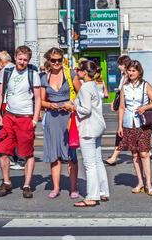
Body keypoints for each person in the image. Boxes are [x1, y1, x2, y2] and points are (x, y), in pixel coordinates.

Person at [0, 46, 41, 198]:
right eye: (20, 59)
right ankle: (7, 183)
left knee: (27, 153)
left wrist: (35, 119)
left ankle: (27, 185)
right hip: (8, 116)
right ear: (15, 57)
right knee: (3, 151)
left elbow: (38, 98)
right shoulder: (6, 72)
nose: (22, 62)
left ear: (28, 60)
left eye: (25, 60)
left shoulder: (32, 74)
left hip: (25, 117)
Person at [63, 60, 108, 207]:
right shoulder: (94, 85)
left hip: (88, 128)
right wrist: (75, 104)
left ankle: (92, 196)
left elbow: (86, 109)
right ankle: (103, 191)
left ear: (84, 72)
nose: (76, 72)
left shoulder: (84, 88)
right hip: (98, 126)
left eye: (78, 70)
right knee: (98, 160)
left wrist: (73, 108)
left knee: (90, 164)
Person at [40, 47, 81, 199]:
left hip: (68, 117)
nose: (56, 63)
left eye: (59, 60)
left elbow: (82, 95)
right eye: (53, 60)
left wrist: (71, 104)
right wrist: (50, 105)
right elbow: (41, 101)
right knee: (54, 155)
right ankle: (56, 188)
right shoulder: (44, 77)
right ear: (48, 61)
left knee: (71, 154)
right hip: (52, 117)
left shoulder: (70, 74)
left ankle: (73, 188)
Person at [117, 60, 152, 195]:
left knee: (144, 153)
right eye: (129, 70)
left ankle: (149, 184)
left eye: (133, 70)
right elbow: (122, 107)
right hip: (129, 123)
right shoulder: (125, 87)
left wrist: (145, 107)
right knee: (134, 154)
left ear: (139, 72)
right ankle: (140, 182)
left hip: (143, 123)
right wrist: (120, 126)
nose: (130, 73)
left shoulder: (146, 85)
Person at [105, 55, 131, 166]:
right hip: (124, 106)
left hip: (127, 108)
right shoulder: (123, 75)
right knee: (132, 132)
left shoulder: (129, 77)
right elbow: (119, 91)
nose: (118, 67)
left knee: (121, 132)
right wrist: (114, 101)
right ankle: (148, 152)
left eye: (120, 65)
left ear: (124, 65)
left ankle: (114, 157)